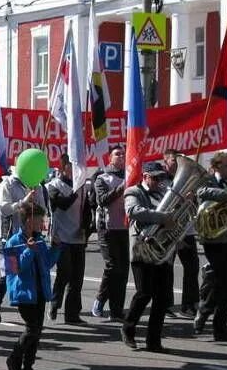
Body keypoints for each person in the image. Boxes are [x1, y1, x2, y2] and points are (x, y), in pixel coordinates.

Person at [121, 162, 178, 352]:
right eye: (155, 178)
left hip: (162, 249)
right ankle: (128, 328)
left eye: (161, 177)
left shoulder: (164, 192)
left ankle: (154, 341)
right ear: (145, 176)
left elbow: (173, 215)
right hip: (141, 249)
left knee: (162, 298)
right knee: (144, 293)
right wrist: (162, 217)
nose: (159, 181)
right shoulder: (133, 192)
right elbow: (133, 212)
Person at [4, 202, 61, 370]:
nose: (42, 222)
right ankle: (14, 358)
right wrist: (28, 251)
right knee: (32, 329)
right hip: (24, 294)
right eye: (39, 219)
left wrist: (56, 248)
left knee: (36, 334)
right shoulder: (13, 241)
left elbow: (47, 263)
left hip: (40, 292)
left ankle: (28, 369)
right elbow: (14, 269)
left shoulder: (39, 239)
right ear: (29, 220)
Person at [194, 152, 227, 343]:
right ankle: (216, 325)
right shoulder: (207, 180)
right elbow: (201, 193)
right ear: (216, 166)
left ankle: (210, 317)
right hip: (212, 240)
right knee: (222, 281)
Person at [0, 165, 48, 323]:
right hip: (12, 236)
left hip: (31, 235)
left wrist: (35, 201)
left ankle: (32, 306)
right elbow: (4, 208)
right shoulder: (7, 183)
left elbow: (42, 209)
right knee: (8, 273)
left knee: (32, 269)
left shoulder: (37, 184)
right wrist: (23, 202)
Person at [47, 158, 90, 324]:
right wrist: (76, 191)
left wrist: (85, 228)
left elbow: (86, 210)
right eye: (71, 166)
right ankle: (54, 301)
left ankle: (72, 314)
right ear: (63, 167)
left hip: (78, 237)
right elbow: (62, 204)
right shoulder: (53, 185)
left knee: (77, 278)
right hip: (61, 236)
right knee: (65, 273)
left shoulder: (82, 187)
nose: (75, 170)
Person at [161, 150, 200, 319]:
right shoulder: (161, 181)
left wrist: (193, 198)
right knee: (166, 269)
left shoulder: (189, 179)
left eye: (179, 160)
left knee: (192, 266)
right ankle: (165, 304)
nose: (176, 163)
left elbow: (195, 206)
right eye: (172, 160)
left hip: (186, 230)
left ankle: (189, 304)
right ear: (165, 162)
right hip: (169, 231)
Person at [91, 146, 129, 320]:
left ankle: (116, 310)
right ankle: (100, 300)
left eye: (123, 153)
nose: (121, 156)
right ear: (110, 158)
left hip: (125, 228)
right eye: (117, 154)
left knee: (123, 270)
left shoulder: (130, 175)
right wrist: (122, 187)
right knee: (113, 267)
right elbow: (103, 200)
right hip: (107, 229)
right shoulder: (102, 178)